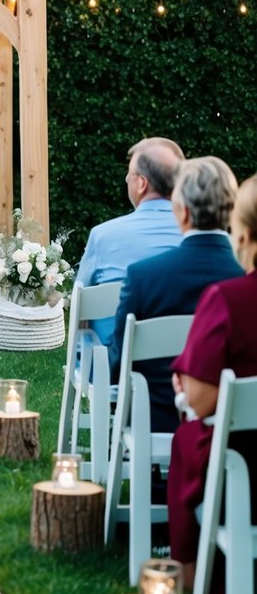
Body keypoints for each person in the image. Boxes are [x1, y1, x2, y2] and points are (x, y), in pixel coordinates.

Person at [168, 172, 257, 594]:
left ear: (245, 232)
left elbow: (200, 402)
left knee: (189, 437)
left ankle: (193, 578)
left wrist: (186, 384)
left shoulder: (228, 298)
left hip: (246, 471)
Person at [108, 156, 243, 432]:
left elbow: (118, 362)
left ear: (181, 212)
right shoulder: (246, 278)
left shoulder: (143, 276)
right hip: (237, 424)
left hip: (154, 420)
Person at [76, 137, 184, 346]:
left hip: (111, 372)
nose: (127, 179)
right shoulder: (201, 240)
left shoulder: (103, 236)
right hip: (189, 369)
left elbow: (82, 310)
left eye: (130, 174)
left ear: (142, 183)